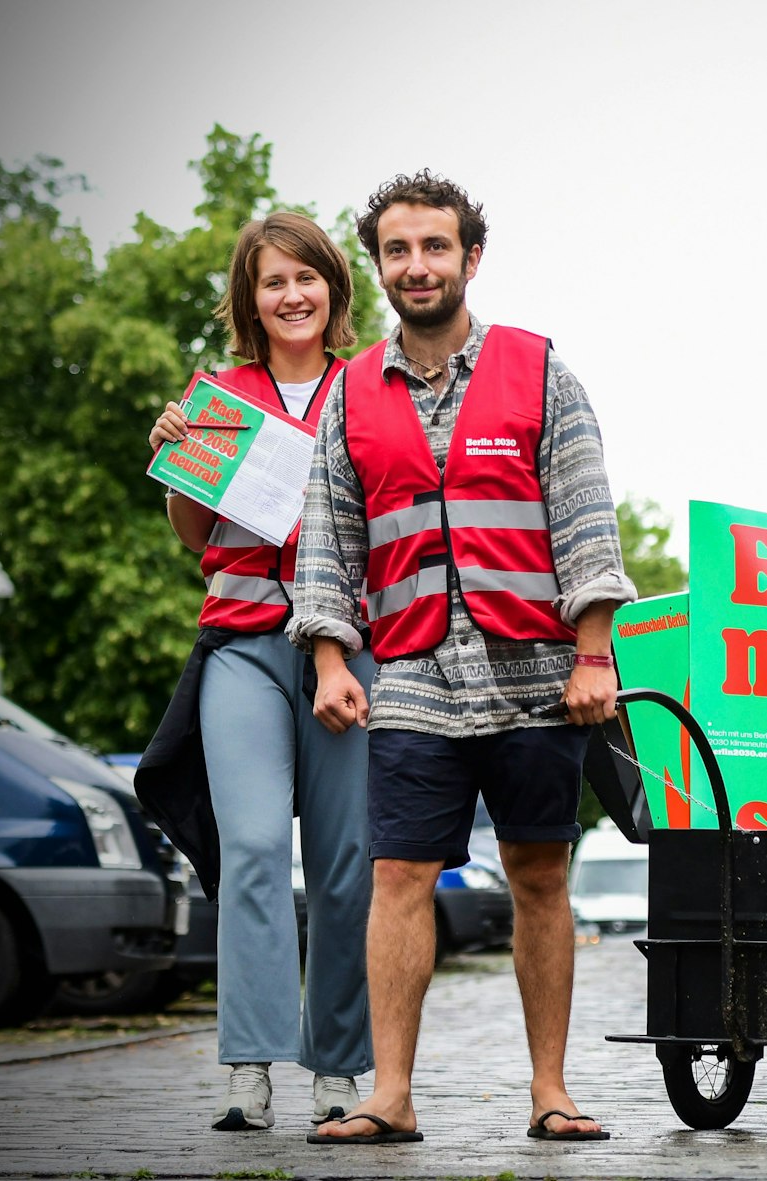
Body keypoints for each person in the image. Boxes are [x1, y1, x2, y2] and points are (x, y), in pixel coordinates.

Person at [293, 171, 635, 1146]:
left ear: (469, 257)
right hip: (408, 670)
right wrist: (328, 656)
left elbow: (582, 511)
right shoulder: (351, 392)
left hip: (536, 667)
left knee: (538, 871)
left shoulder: (537, 370)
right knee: (396, 872)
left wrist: (593, 650)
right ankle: (388, 1092)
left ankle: (550, 1088)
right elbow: (327, 537)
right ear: (380, 267)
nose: (416, 265)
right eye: (397, 251)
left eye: (434, 247)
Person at [137, 211, 375, 1131]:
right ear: (251, 296)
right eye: (273, 281)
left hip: (352, 648)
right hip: (241, 641)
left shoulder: (370, 387)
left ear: (332, 287)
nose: (292, 295)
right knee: (253, 850)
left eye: (306, 277)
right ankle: (248, 1066)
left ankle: (340, 1070)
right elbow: (197, 535)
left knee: (347, 859)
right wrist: (179, 468)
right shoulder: (218, 395)